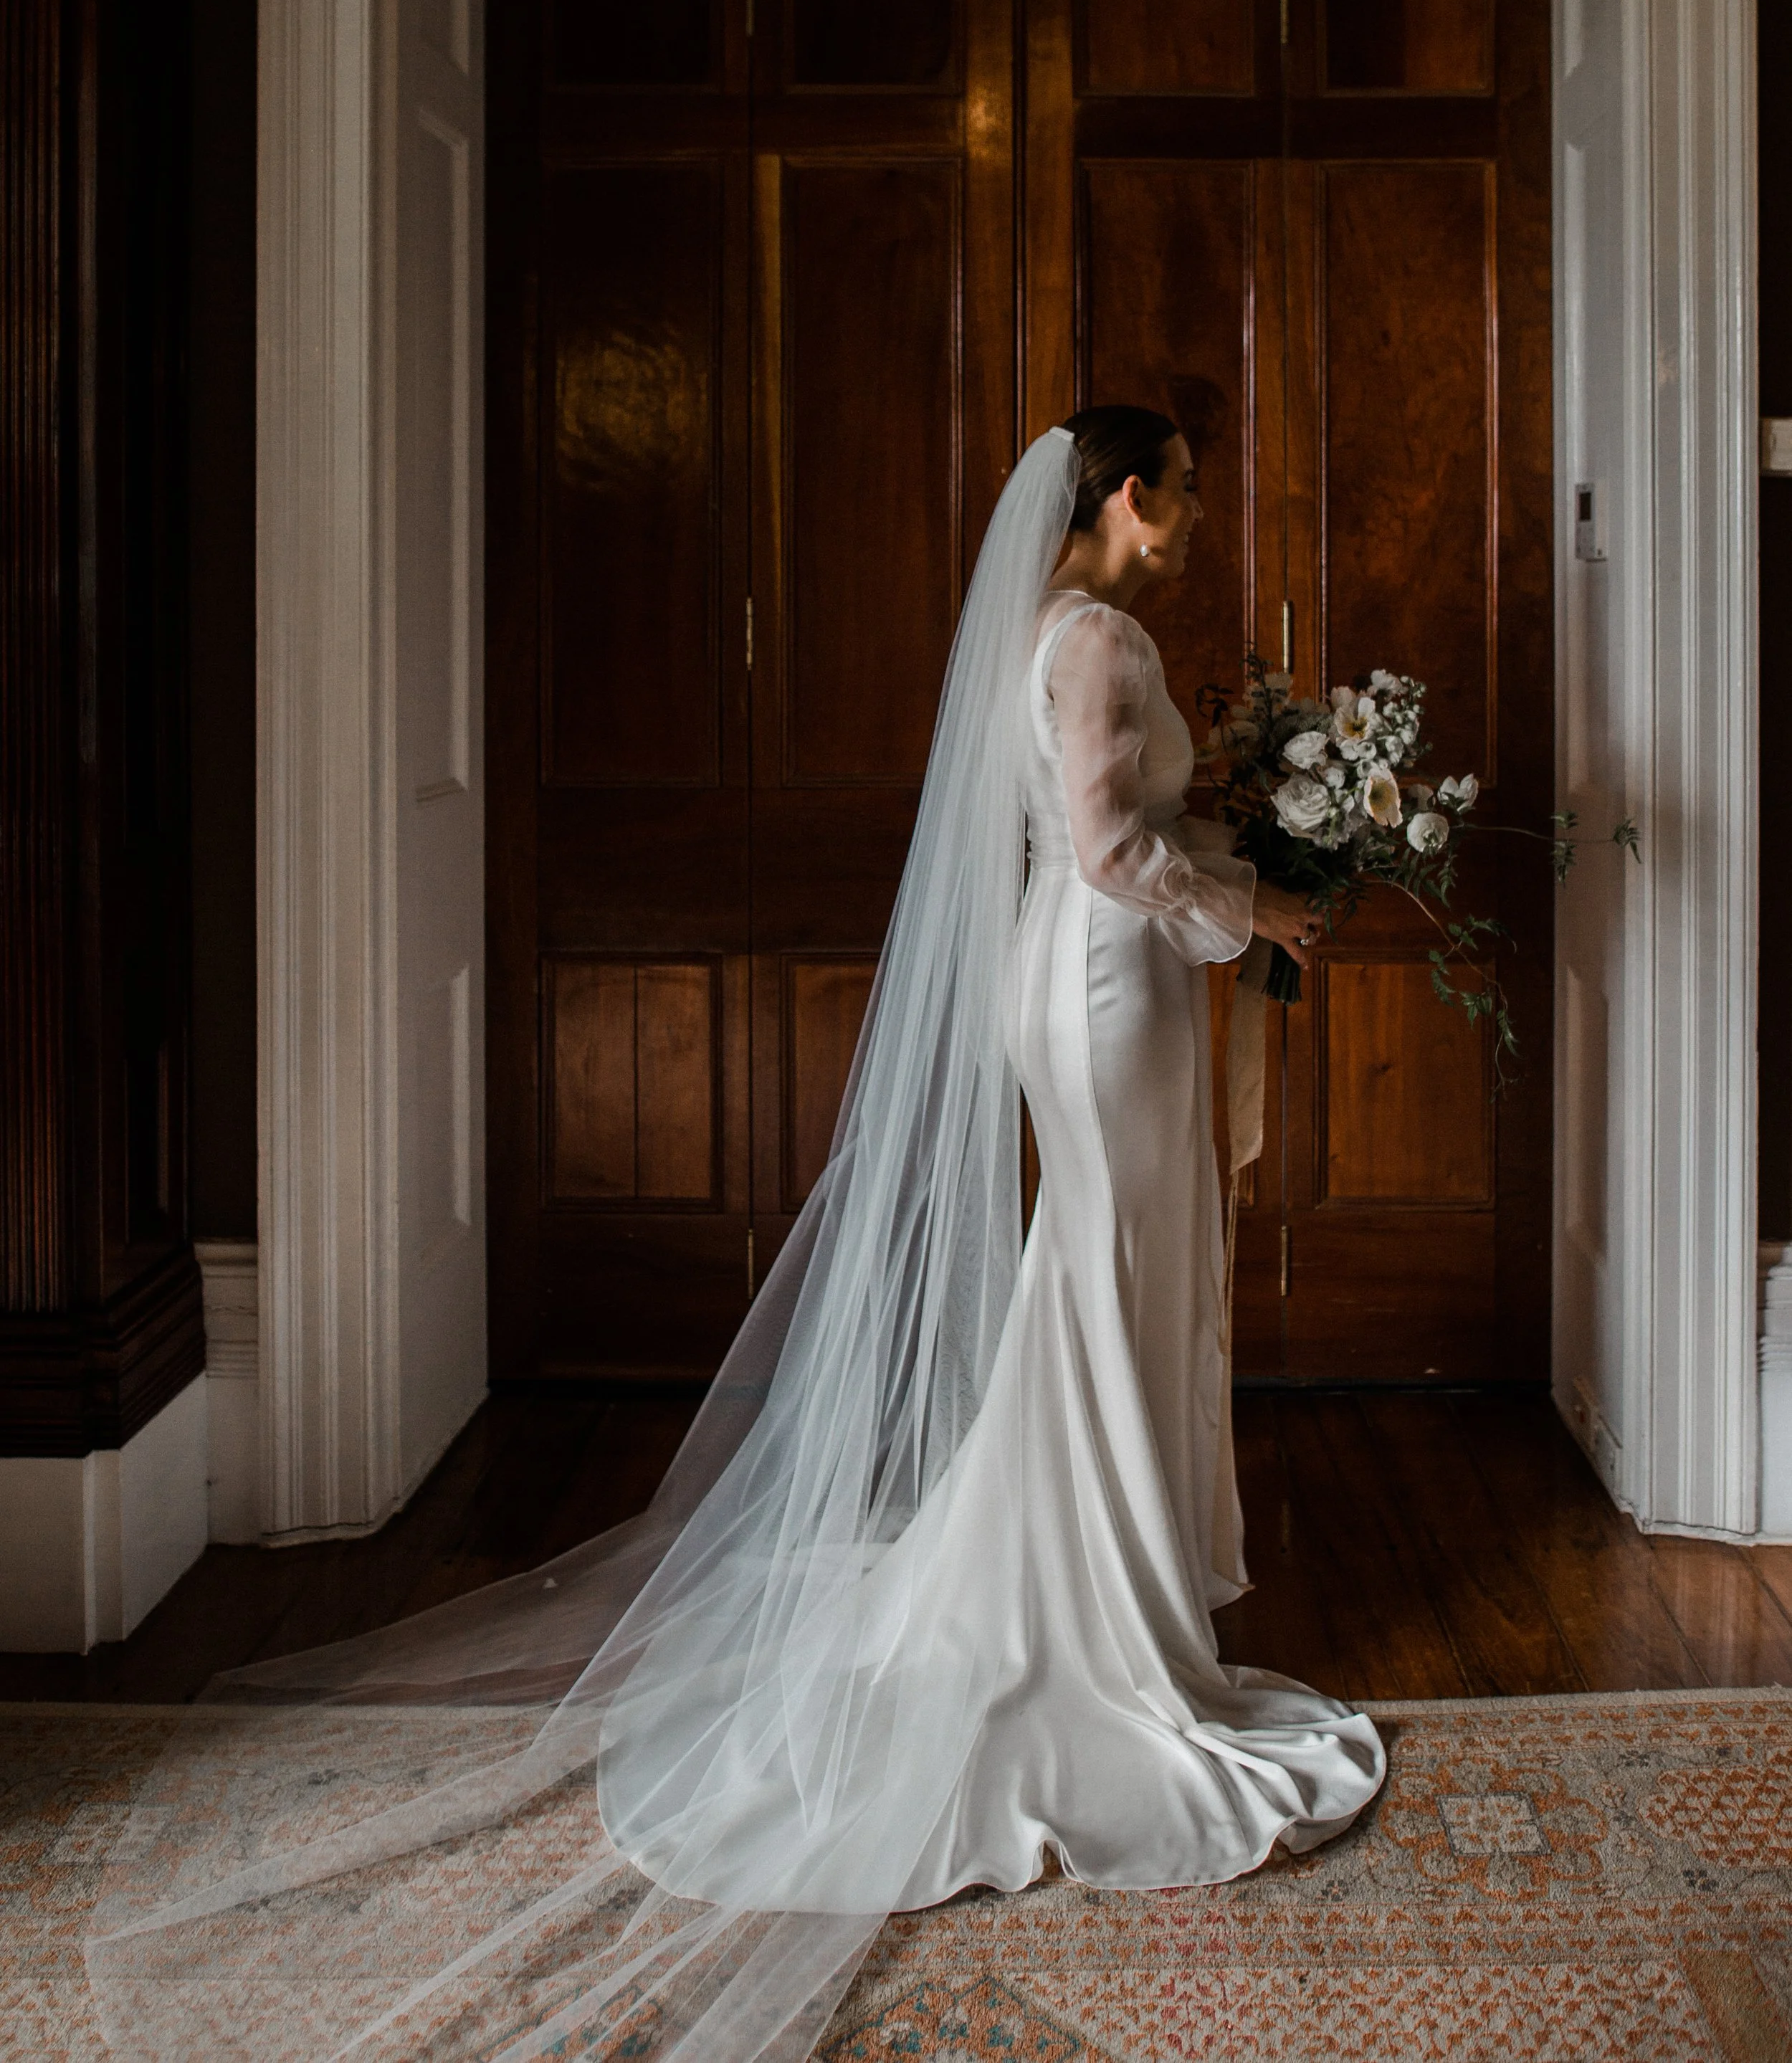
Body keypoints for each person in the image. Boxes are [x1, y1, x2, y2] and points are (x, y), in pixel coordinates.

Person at [88, 414, 1383, 2063]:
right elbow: (1118, 852)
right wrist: (1262, 907)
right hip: (1104, 989)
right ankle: (1099, 1624)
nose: (1195, 517)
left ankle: (1095, 1577)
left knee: (1092, 1284)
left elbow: (1097, 843)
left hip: (1063, 983)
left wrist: (1238, 857)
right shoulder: (1106, 636)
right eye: (1185, 488)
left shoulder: (1031, 634)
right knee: (1108, 1281)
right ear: (1127, 498)